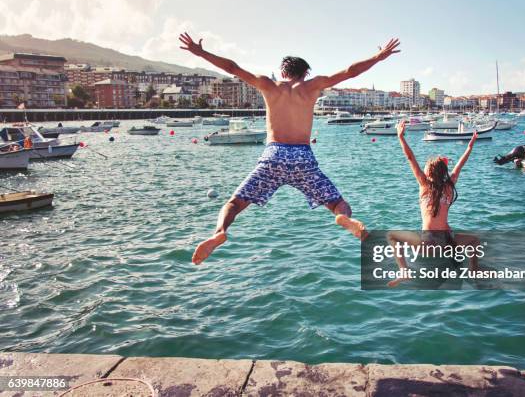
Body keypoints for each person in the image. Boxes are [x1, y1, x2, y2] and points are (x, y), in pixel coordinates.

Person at [179, 32, 401, 265]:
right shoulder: (313, 86)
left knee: (235, 204)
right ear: (305, 74)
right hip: (302, 156)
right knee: (338, 204)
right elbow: (350, 71)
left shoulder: (268, 84)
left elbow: (232, 67)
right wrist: (379, 56)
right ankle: (344, 219)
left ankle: (219, 233)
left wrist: (200, 52)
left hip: (273, 155)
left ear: (283, 72)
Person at [387, 121, 480, 287]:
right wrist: (469, 147)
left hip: (428, 244)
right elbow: (460, 165)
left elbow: (410, 157)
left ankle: (404, 271)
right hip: (447, 241)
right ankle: (473, 272)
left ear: (428, 172)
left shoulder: (424, 186)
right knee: (474, 242)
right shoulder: (449, 187)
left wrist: (400, 137)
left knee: (392, 236)